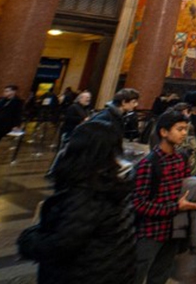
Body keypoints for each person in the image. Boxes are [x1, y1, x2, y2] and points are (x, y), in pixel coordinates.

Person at [17, 121, 135, 282]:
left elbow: (61, 244)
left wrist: (28, 240)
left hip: (82, 274)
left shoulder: (86, 194)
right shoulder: (114, 185)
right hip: (110, 271)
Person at [134, 110, 196, 284]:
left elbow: (186, 189)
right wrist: (175, 207)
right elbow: (139, 204)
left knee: (161, 273)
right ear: (164, 132)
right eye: (180, 129)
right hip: (150, 231)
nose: (184, 133)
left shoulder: (181, 159)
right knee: (137, 273)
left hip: (174, 229)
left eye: (186, 129)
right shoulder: (149, 164)